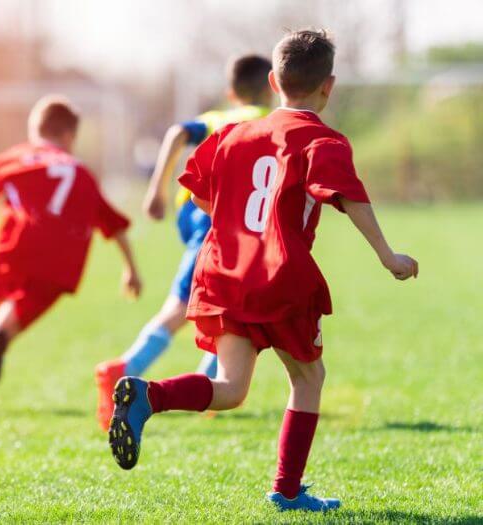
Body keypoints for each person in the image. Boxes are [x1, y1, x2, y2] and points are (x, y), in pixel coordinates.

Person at [105, 30, 418, 513]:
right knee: (308, 377)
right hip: (280, 277)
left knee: (230, 389)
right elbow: (350, 197)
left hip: (225, 273)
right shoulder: (322, 139)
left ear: (274, 81)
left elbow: (204, 195)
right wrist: (389, 256)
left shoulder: (230, 135)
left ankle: (150, 396)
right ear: (327, 87)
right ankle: (288, 490)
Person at [0, 95, 142, 410]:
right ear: (69, 136)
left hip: (15, 247)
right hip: (61, 258)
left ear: (35, 129)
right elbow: (115, 226)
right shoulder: (81, 173)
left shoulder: (15, 158)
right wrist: (131, 268)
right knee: (17, 310)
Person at [94, 55, 274, 431]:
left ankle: (208, 386)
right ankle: (123, 370)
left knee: (227, 303)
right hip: (220, 219)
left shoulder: (216, 118)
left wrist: (157, 190)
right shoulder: (267, 121)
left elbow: (178, 132)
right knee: (185, 306)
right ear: (271, 87)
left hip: (196, 214)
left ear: (230, 92)